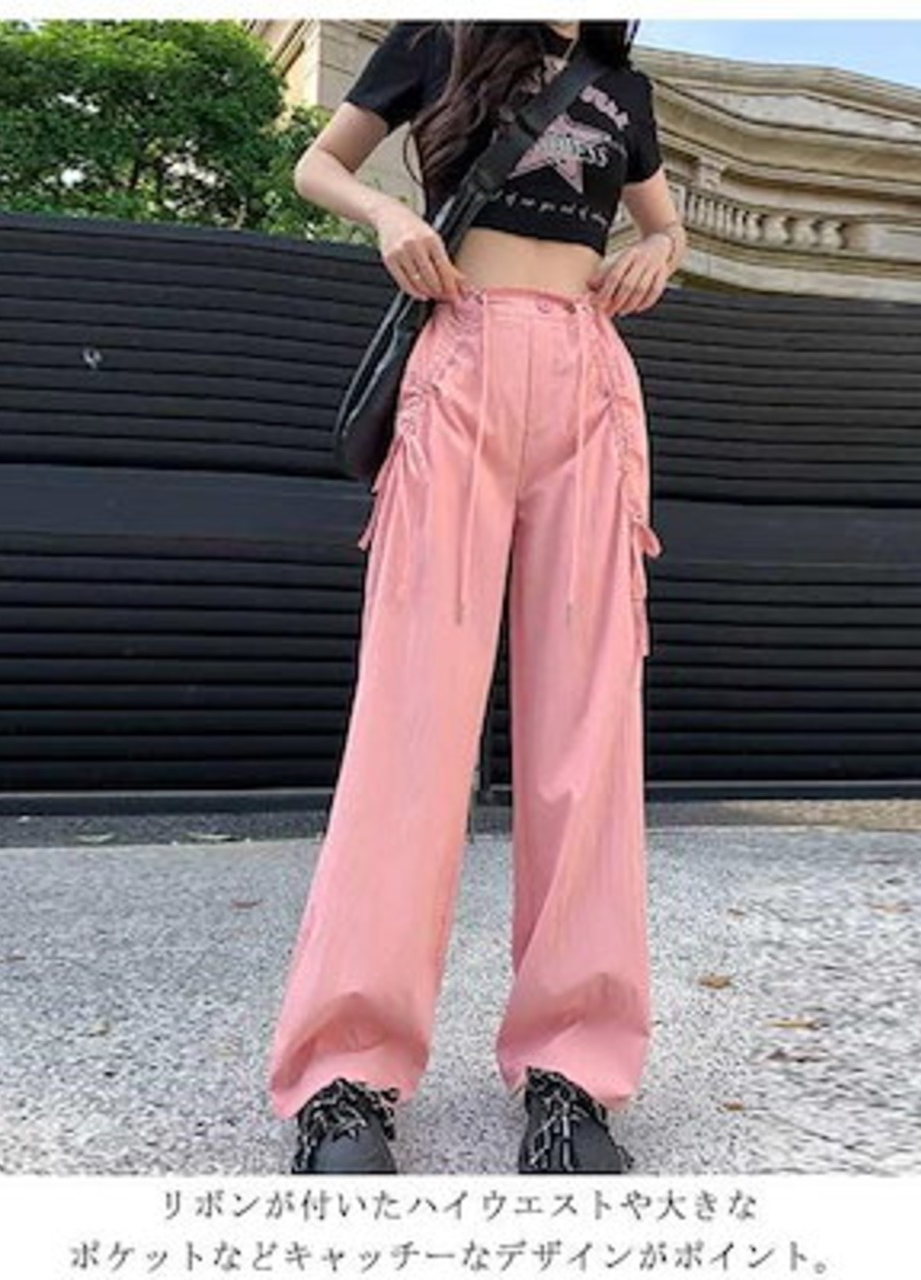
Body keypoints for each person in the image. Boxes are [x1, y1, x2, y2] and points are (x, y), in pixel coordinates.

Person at [265, 19, 686, 1175]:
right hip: (457, 362)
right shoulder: (436, 40)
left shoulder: (621, 89)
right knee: (411, 721)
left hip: (586, 378)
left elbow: (659, 219)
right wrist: (390, 216)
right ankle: (343, 1070)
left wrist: (661, 247)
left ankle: (574, 1067)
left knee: (586, 731)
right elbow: (317, 164)